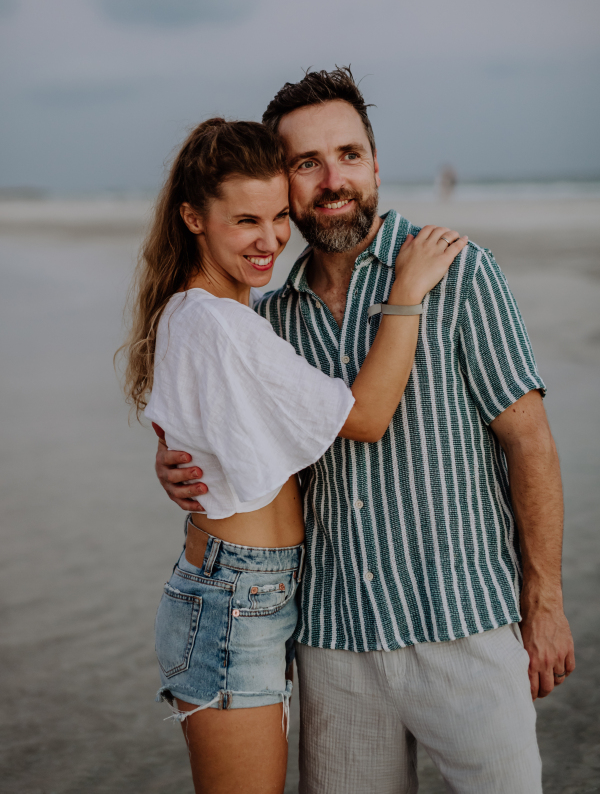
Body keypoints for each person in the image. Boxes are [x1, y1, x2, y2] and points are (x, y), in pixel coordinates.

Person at [156, 69, 576, 794]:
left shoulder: (459, 271)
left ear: (376, 165)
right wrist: (174, 463)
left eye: (348, 155)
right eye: (307, 163)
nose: (332, 179)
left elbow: (529, 442)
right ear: (281, 182)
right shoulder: (271, 318)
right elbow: (240, 442)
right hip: (332, 643)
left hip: (464, 627)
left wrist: (544, 603)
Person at [119, 116, 465, 794]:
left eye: (280, 215)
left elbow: (205, 436)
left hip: (250, 591)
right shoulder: (218, 323)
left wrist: (174, 463)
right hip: (234, 599)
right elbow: (364, 417)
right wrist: (407, 293)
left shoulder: (207, 315)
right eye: (246, 220)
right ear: (193, 217)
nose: (272, 238)